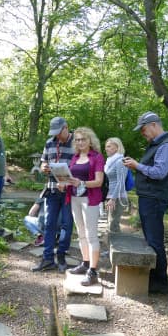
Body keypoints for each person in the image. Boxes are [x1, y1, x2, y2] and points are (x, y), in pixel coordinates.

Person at [123, 111, 168, 294]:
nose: (142, 134)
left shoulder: (166, 146)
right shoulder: (157, 144)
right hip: (149, 198)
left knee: (155, 241)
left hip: (154, 199)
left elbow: (159, 172)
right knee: (151, 239)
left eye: (144, 130)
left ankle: (160, 283)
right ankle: (153, 279)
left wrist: (137, 166)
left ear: (154, 125)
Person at [31, 117, 74, 273]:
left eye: (58, 132)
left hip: (69, 191)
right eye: (54, 133)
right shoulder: (49, 143)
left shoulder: (77, 142)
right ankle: (47, 258)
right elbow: (43, 161)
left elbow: (82, 165)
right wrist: (44, 167)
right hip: (52, 189)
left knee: (66, 225)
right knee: (49, 225)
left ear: (66, 128)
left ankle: (61, 256)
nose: (56, 136)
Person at [66, 127, 105, 286]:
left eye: (83, 139)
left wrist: (81, 183)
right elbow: (72, 178)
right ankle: (86, 263)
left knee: (91, 235)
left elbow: (99, 182)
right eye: (77, 139)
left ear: (90, 140)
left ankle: (93, 271)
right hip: (74, 198)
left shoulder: (97, 157)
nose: (80, 142)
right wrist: (64, 183)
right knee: (81, 233)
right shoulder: (75, 157)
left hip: (90, 199)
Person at [104, 137, 129, 233]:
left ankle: (117, 247)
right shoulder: (110, 161)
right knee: (111, 225)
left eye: (109, 146)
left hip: (117, 197)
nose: (106, 148)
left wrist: (113, 199)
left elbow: (121, 182)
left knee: (113, 226)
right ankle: (110, 246)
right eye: (106, 146)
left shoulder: (120, 161)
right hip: (110, 196)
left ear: (117, 147)